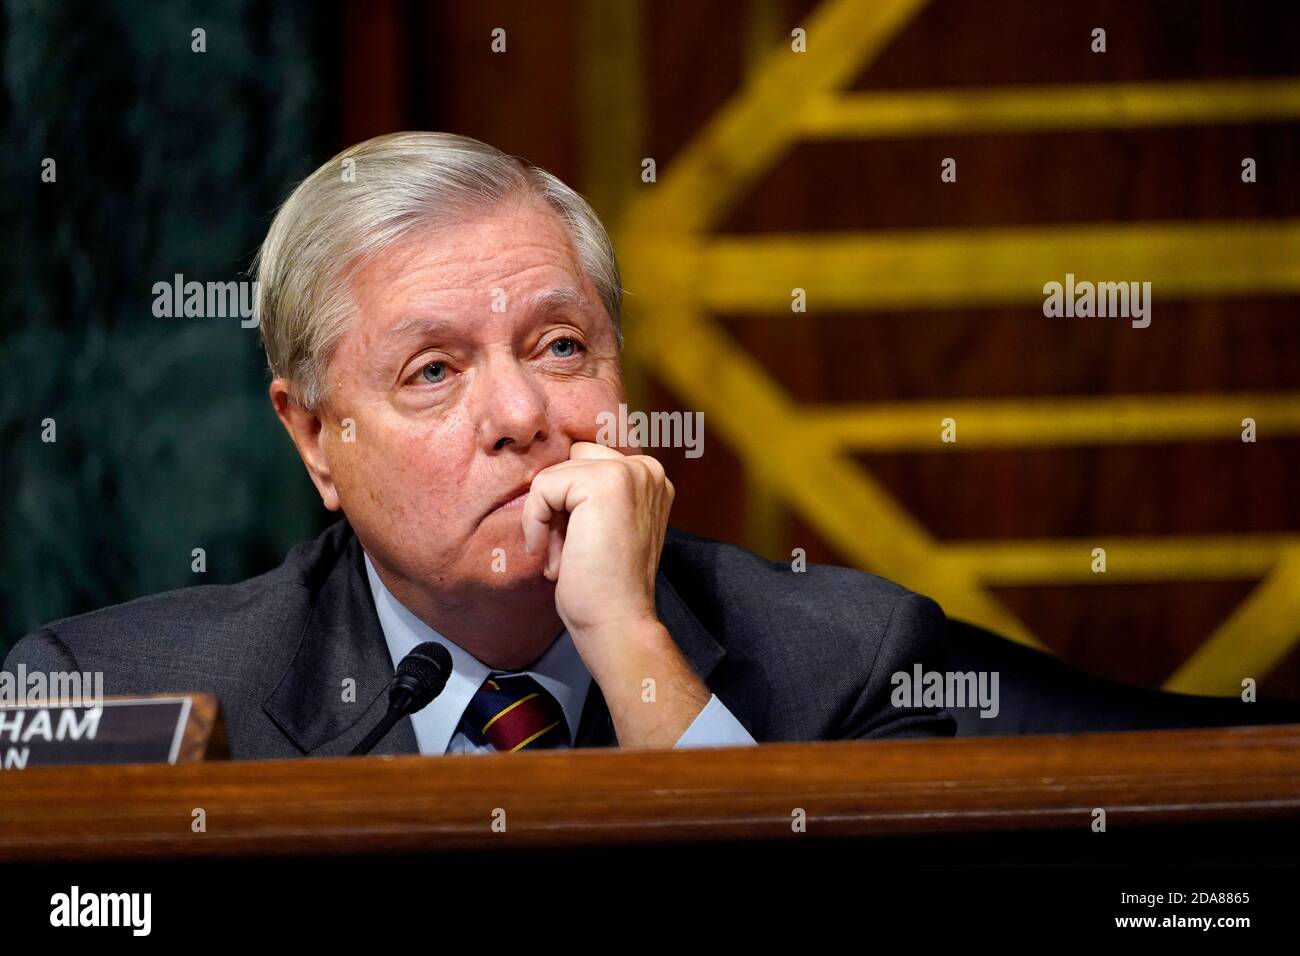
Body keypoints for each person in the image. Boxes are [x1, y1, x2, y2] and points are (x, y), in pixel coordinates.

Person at [3, 132, 956, 758]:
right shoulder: (119, 701)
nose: (520, 414)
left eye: (561, 346)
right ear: (313, 440)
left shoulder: (853, 667)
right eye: (433, 371)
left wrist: (629, 646)